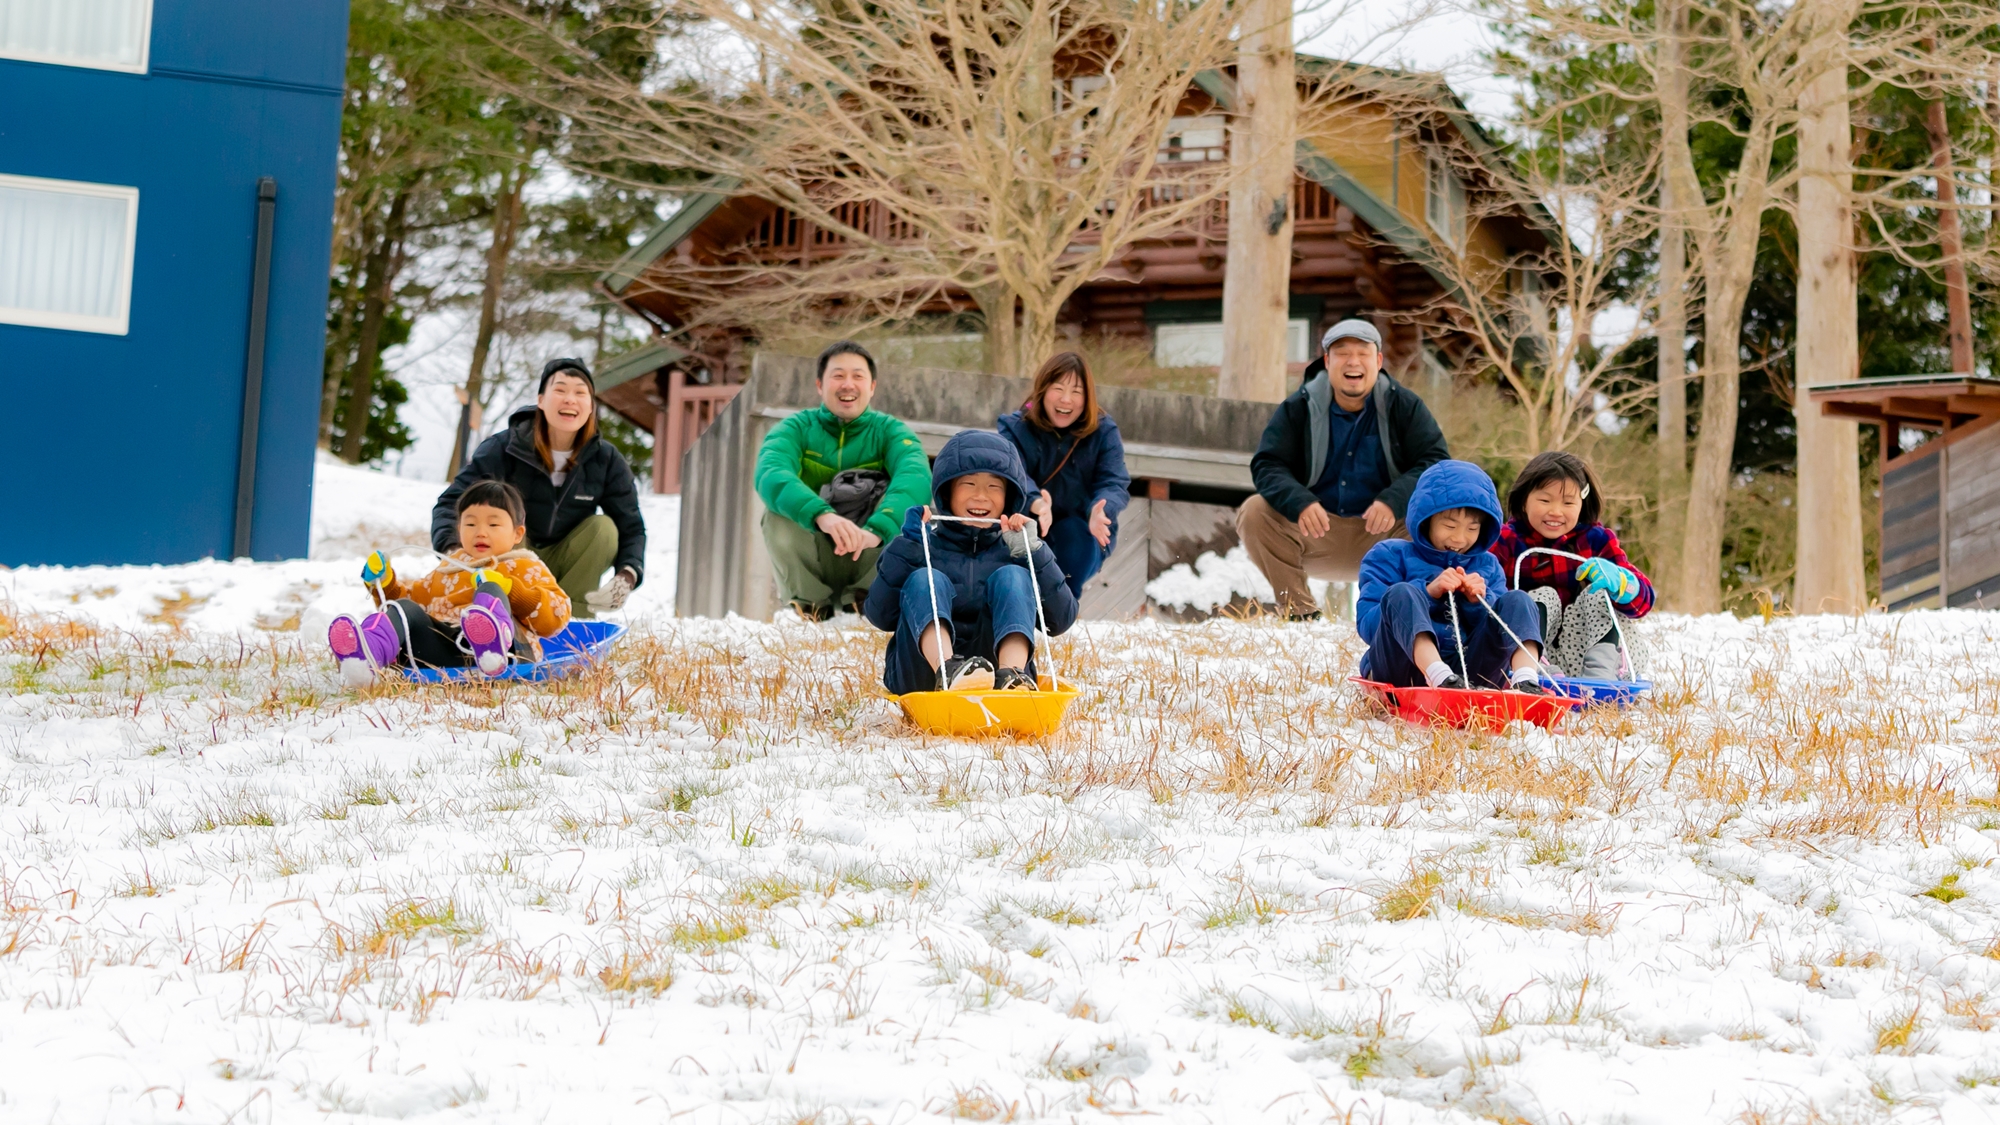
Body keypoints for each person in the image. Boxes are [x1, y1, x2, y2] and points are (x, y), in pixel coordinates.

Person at [1238, 319, 1451, 619]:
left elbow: (1436, 462)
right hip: (1317, 531)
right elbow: (1267, 464)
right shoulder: (1299, 407)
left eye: (1363, 353)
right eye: (1342, 352)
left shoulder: (1404, 406)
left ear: (1378, 361)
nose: (1353, 361)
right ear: (1327, 361)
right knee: (1255, 511)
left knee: (1435, 518)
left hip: (1386, 535)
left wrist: (1393, 500)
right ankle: (1300, 613)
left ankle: (1405, 611)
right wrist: (1300, 502)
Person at [862, 430, 1077, 695]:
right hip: (922, 677)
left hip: (993, 674)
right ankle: (948, 670)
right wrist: (909, 546)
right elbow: (879, 615)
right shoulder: (922, 548)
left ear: (1008, 498)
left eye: (994, 486)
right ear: (947, 492)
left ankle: (1012, 677)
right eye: (969, 484)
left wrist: (1033, 554)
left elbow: (1061, 620)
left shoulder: (1015, 554)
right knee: (926, 579)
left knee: (1013, 576)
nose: (981, 496)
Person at [434, 358, 646, 618]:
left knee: (604, 529)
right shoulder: (504, 447)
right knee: (499, 524)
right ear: (541, 400)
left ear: (591, 406)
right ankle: (498, 615)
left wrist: (627, 574)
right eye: (560, 390)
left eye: (580, 392)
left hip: (567, 563)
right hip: (511, 559)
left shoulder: (607, 460)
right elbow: (452, 503)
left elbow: (631, 526)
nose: (570, 399)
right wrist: (453, 551)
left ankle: (571, 618)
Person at [754, 340, 932, 620]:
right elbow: (771, 473)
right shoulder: (794, 429)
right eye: (838, 375)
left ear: (872, 386)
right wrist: (821, 514)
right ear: (819, 385)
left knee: (910, 510)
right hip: (814, 552)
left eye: (858, 376)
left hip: (871, 555)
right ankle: (808, 608)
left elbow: (916, 479)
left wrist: (876, 531)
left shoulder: (892, 432)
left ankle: (868, 601)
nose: (847, 384)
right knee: (777, 513)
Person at [331, 481, 571, 685]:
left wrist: (512, 591)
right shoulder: (449, 569)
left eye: (493, 524)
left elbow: (556, 615)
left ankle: (491, 642)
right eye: (470, 524)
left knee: (491, 589)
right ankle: (368, 656)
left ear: (517, 534)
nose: (481, 532)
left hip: (510, 656)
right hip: (447, 653)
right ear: (459, 529)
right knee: (404, 610)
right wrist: (383, 582)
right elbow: (412, 603)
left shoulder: (524, 566)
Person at [1356, 460, 1548, 692]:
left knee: (1518, 600)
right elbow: (1368, 625)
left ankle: (1526, 681)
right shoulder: (1389, 555)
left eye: (1472, 529)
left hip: (1471, 673)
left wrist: (1478, 603)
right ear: (1426, 521)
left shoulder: (1488, 565)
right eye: (1449, 526)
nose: (1459, 539)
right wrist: (1426, 592)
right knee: (1402, 592)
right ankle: (1439, 675)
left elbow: (1496, 633)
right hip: (1401, 669)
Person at [1488, 451, 1653, 679]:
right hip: (1526, 657)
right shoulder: (1507, 540)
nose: (1556, 511)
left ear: (1581, 505)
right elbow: (1484, 588)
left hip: (1583, 650)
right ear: (1524, 501)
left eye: (1568, 502)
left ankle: (1601, 676)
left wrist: (1623, 583)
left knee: (1598, 594)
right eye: (1545, 500)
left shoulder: (1596, 540)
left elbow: (1643, 603)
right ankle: (1537, 669)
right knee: (1541, 596)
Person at [997, 352, 1131, 599]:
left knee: (1076, 537)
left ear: (1087, 397)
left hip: (1081, 529)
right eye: (1058, 388)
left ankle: (1060, 614)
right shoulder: (1016, 427)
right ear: (1043, 390)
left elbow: (1114, 481)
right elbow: (1012, 472)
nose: (1066, 399)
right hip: (1027, 523)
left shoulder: (1103, 431)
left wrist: (1101, 510)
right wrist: (1036, 502)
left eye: (1077, 392)